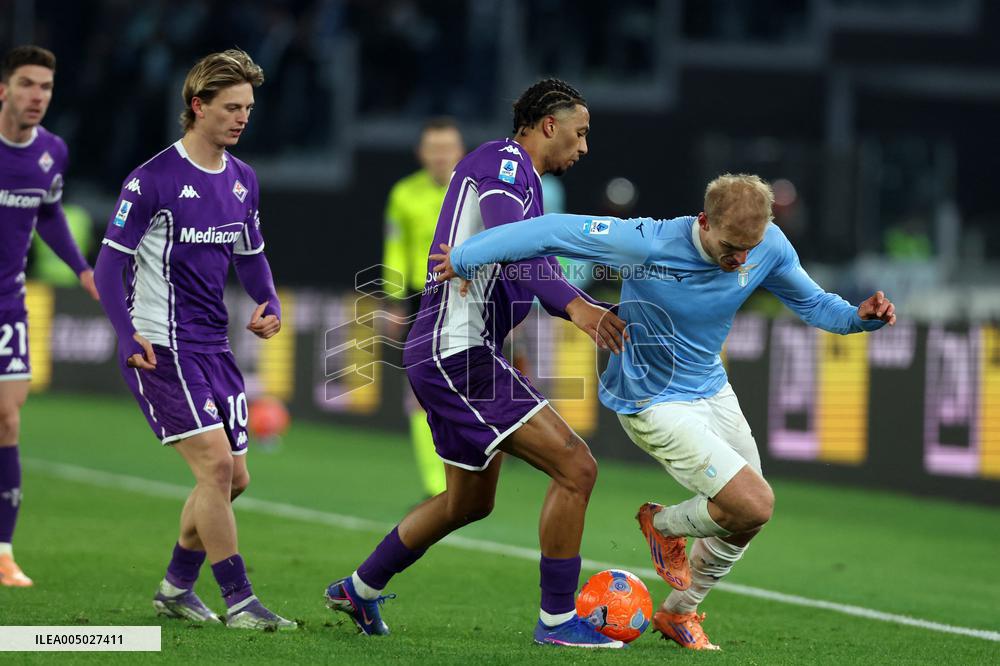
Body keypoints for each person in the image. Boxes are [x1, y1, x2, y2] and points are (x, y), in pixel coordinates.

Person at [432, 173, 896, 650]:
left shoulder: (768, 246)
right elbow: (549, 231)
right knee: (754, 502)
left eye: (749, 248)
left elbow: (815, 303)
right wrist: (466, 257)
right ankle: (662, 525)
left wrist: (860, 319)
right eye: (731, 247)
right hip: (650, 399)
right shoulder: (648, 242)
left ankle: (679, 613)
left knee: (747, 517)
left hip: (712, 389)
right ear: (704, 222)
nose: (741, 259)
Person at [326, 79, 630, 648]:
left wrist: (586, 309)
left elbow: (532, 264)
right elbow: (509, 241)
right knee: (577, 467)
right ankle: (560, 622)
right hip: (456, 353)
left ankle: (359, 589)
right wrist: (579, 311)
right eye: (580, 133)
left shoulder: (525, 182)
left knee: (469, 502)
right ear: (548, 125)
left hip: (458, 351)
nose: (584, 147)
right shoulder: (506, 166)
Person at [93, 49, 294, 631]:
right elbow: (110, 268)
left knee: (236, 477)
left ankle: (177, 587)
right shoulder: (151, 180)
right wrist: (125, 332)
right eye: (231, 107)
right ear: (197, 106)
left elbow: (252, 257)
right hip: (161, 344)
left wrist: (270, 301)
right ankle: (241, 601)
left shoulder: (242, 181)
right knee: (213, 469)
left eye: (249, 108)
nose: (242, 118)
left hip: (214, 347)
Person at [0, 45, 98, 588]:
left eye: (46, 87)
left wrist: (84, 271)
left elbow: (50, 212)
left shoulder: (51, 152)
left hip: (8, 305)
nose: (37, 96)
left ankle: (3, 551)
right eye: (27, 84)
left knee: (9, 420)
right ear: (4, 90)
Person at [382, 117, 465, 499]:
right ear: (421, 153)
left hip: (468, 296)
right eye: (433, 149)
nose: (440, 156)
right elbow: (396, 249)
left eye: (447, 148)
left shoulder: (474, 193)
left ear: (460, 152)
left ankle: (468, 474)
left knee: (469, 387)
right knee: (417, 392)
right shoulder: (404, 194)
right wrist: (394, 300)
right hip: (421, 298)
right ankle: (437, 485)